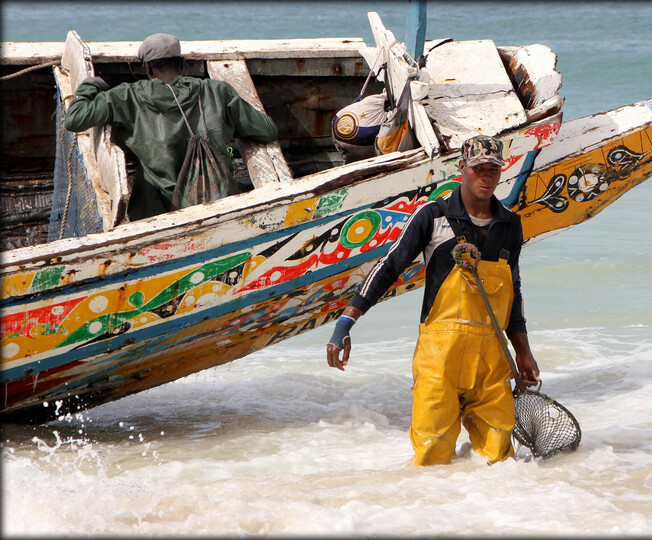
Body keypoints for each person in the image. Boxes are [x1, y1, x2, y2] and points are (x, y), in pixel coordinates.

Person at [326, 135, 541, 466]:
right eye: (478, 169)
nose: (486, 177)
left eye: (493, 170)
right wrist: (346, 322)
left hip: (492, 362)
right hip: (440, 359)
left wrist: (523, 351)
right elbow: (389, 267)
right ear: (461, 169)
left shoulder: (510, 224)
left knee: (500, 462)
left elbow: (513, 290)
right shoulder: (433, 215)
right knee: (432, 458)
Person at [64, 33, 279, 221]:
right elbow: (267, 130)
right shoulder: (216, 91)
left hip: (159, 212)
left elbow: (74, 119)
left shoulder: (125, 96)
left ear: (147, 67)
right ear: (182, 62)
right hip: (218, 201)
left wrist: (90, 86)